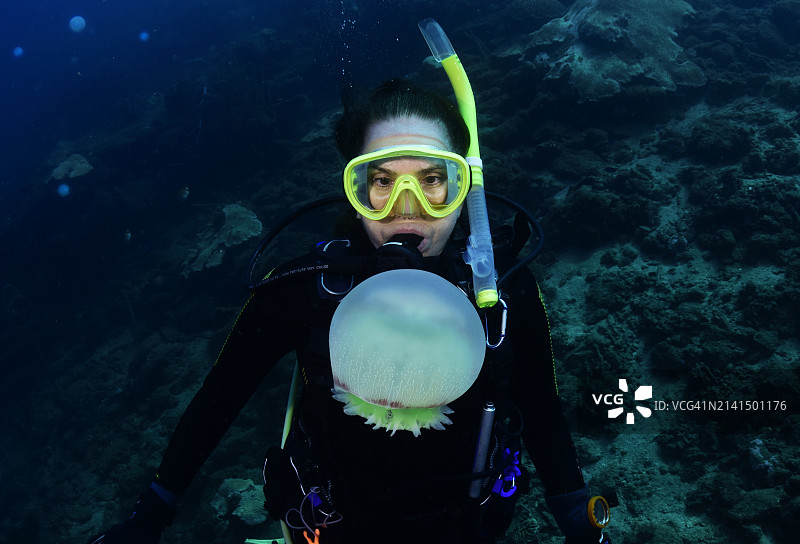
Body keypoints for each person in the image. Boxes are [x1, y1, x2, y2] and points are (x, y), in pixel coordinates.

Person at [88, 78, 611, 544]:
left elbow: (542, 413)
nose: (407, 208)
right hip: (332, 528)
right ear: (358, 189)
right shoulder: (301, 290)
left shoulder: (503, 293)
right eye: (383, 182)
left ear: (463, 187)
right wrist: (149, 516)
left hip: (468, 527)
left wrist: (577, 518)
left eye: (432, 180)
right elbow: (219, 399)